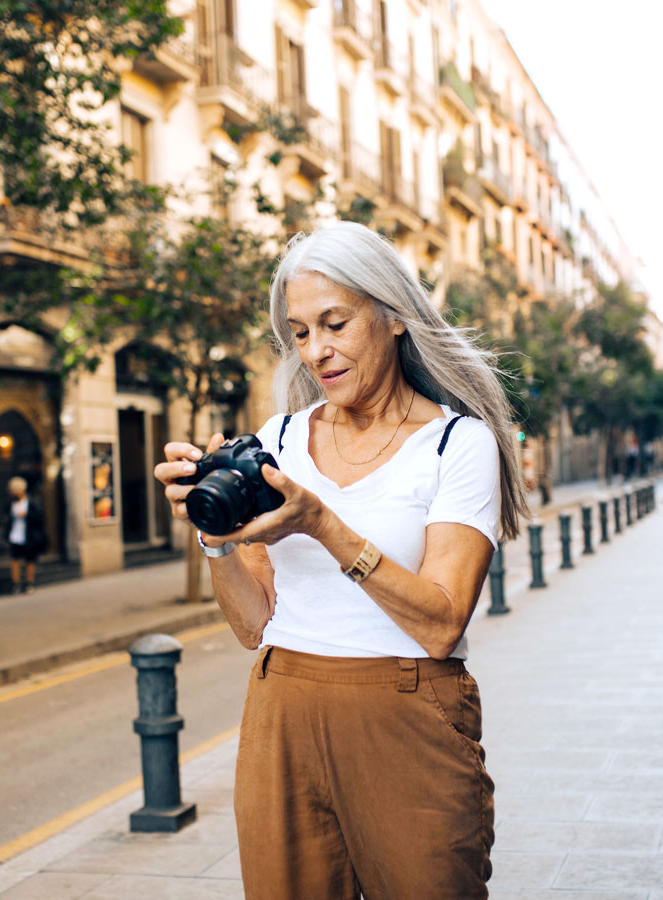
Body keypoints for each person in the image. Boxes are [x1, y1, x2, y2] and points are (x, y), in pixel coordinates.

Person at [154, 221, 528, 900]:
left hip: (409, 713)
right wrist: (213, 536)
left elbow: (442, 624)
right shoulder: (281, 439)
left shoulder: (456, 444)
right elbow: (250, 626)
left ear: (393, 319)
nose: (316, 351)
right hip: (282, 710)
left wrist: (323, 524)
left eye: (335, 323)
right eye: (299, 333)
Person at [4, 476, 47, 594]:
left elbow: (39, 517)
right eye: (12, 490)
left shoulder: (32, 501)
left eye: (15, 490)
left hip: (29, 535)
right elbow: (6, 518)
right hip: (15, 535)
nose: (14, 493)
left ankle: (29, 583)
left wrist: (27, 515)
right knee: (14, 559)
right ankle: (15, 583)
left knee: (30, 560)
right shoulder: (10, 503)